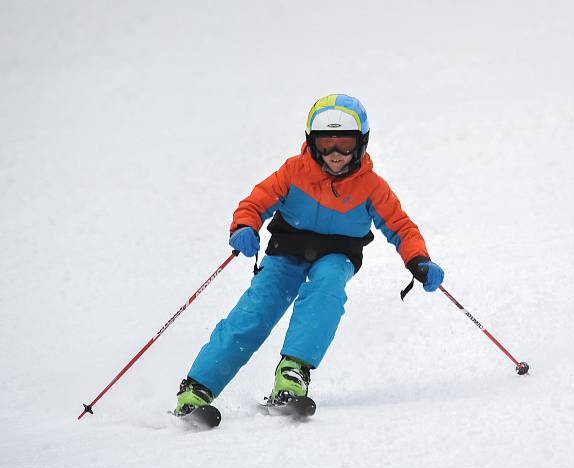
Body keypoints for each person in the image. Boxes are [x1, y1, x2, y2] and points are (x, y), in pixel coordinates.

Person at [174, 94, 445, 415]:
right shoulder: (294, 171)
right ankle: (197, 388)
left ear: (361, 144)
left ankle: (292, 373)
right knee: (257, 308)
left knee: (327, 288)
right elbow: (256, 201)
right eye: (325, 144)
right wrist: (245, 226)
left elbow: (401, 227)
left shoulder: (371, 186)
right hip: (287, 250)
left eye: (344, 145)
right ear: (310, 142)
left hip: (338, 253)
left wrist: (418, 259)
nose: (334, 154)